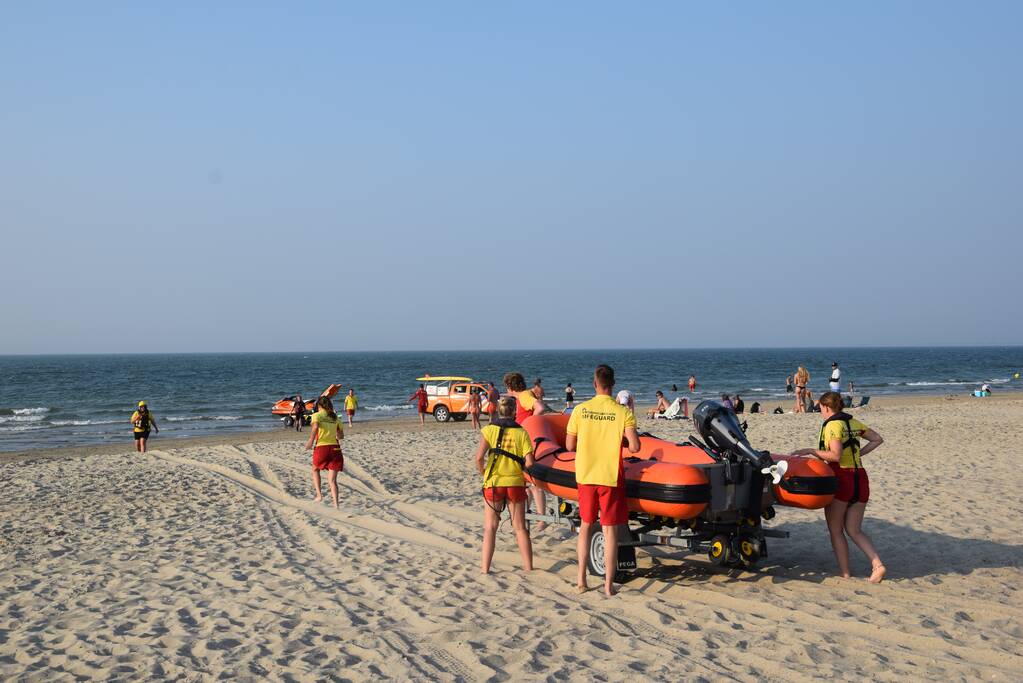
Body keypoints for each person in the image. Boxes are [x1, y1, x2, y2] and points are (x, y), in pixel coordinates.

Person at [793, 391, 886, 583]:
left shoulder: (832, 425)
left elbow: (835, 455)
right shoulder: (853, 422)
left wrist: (811, 451)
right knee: (854, 530)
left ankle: (845, 574)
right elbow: (877, 439)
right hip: (860, 478)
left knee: (836, 530)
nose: (820, 412)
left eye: (820, 409)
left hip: (842, 478)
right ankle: (877, 565)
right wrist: (858, 454)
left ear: (827, 407)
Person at [567, 365, 640, 596]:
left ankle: (581, 581)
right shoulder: (623, 412)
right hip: (610, 476)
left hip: (587, 475)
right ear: (613, 384)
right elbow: (636, 447)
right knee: (610, 531)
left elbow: (569, 446)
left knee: (586, 526)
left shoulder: (580, 410)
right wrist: (620, 441)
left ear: (594, 383)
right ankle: (608, 586)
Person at [472, 397, 534, 574]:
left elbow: (478, 458)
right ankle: (529, 567)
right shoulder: (521, 433)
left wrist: (485, 473)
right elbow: (530, 462)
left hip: (494, 482)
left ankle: (485, 569)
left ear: (498, 411)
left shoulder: (489, 430)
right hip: (515, 483)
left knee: (490, 528)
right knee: (520, 528)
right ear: (514, 411)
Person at [503, 372, 548, 526]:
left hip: (527, 443)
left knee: (534, 485)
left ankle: (542, 519)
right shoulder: (524, 395)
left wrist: (528, 425)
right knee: (526, 485)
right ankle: (522, 517)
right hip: (523, 443)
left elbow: (540, 408)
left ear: (510, 387)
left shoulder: (523, 396)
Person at [305, 396, 344, 508]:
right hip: (335, 449)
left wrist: (310, 441)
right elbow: (341, 436)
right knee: (332, 481)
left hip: (322, 448)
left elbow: (315, 427)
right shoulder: (335, 417)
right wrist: (335, 433)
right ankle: (336, 505)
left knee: (315, 469)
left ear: (319, 406)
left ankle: (319, 495)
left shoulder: (316, 415)